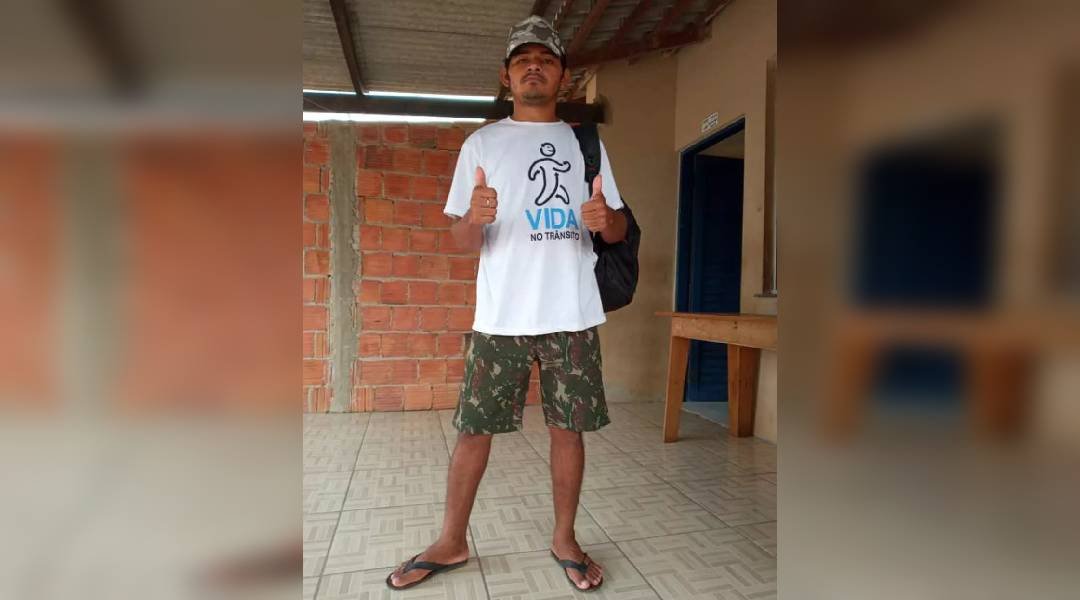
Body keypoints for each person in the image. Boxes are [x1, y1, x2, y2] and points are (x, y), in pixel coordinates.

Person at [386, 14, 628, 592]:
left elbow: (618, 229)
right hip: (501, 318)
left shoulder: (586, 143)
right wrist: (475, 217)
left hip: (572, 313)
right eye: (523, 61)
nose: (533, 68)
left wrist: (605, 219)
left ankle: (564, 538)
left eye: (545, 60)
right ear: (507, 76)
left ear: (563, 76)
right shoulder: (482, 144)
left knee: (568, 431)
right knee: (474, 430)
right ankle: (451, 542)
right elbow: (463, 240)